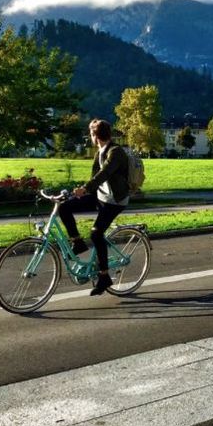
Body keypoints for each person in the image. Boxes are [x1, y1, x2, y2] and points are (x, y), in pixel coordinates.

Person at [58, 118, 130, 296]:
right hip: (100, 196)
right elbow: (95, 177)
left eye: (90, 134)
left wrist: (85, 189)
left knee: (96, 234)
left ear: (94, 135)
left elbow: (104, 173)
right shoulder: (100, 151)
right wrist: (79, 191)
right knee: (64, 207)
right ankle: (77, 242)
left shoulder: (115, 152)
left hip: (115, 201)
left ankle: (104, 276)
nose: (90, 137)